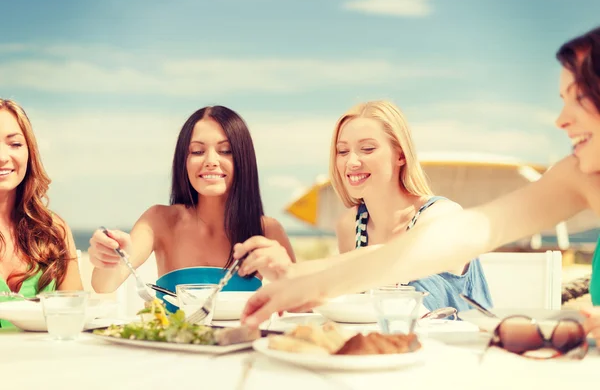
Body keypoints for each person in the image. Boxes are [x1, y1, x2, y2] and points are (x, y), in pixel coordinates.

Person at [237, 26, 600, 342]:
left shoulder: (437, 212)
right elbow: (466, 231)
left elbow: (409, 251)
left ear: (400, 155)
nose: (560, 120)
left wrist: (304, 278)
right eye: (342, 150)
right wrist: (298, 279)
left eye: (579, 99)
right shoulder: (576, 177)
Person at [235, 100, 492, 312]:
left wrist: (295, 272)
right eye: (342, 151)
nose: (352, 162)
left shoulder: (443, 216)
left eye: (367, 149)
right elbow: (347, 299)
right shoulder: (350, 226)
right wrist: (283, 283)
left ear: (400, 154)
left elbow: (388, 259)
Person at [88, 106, 295, 303]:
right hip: (171, 340)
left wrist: (286, 273)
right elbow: (103, 285)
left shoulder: (267, 230)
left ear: (243, 159)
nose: (211, 160)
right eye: (197, 151)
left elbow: (302, 304)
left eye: (225, 151)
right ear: (183, 161)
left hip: (243, 340)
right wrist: (109, 256)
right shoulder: (159, 220)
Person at [0, 99, 83, 329]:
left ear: (29, 152)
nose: (2, 156)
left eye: (14, 144)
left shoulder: (54, 229)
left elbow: (74, 319)